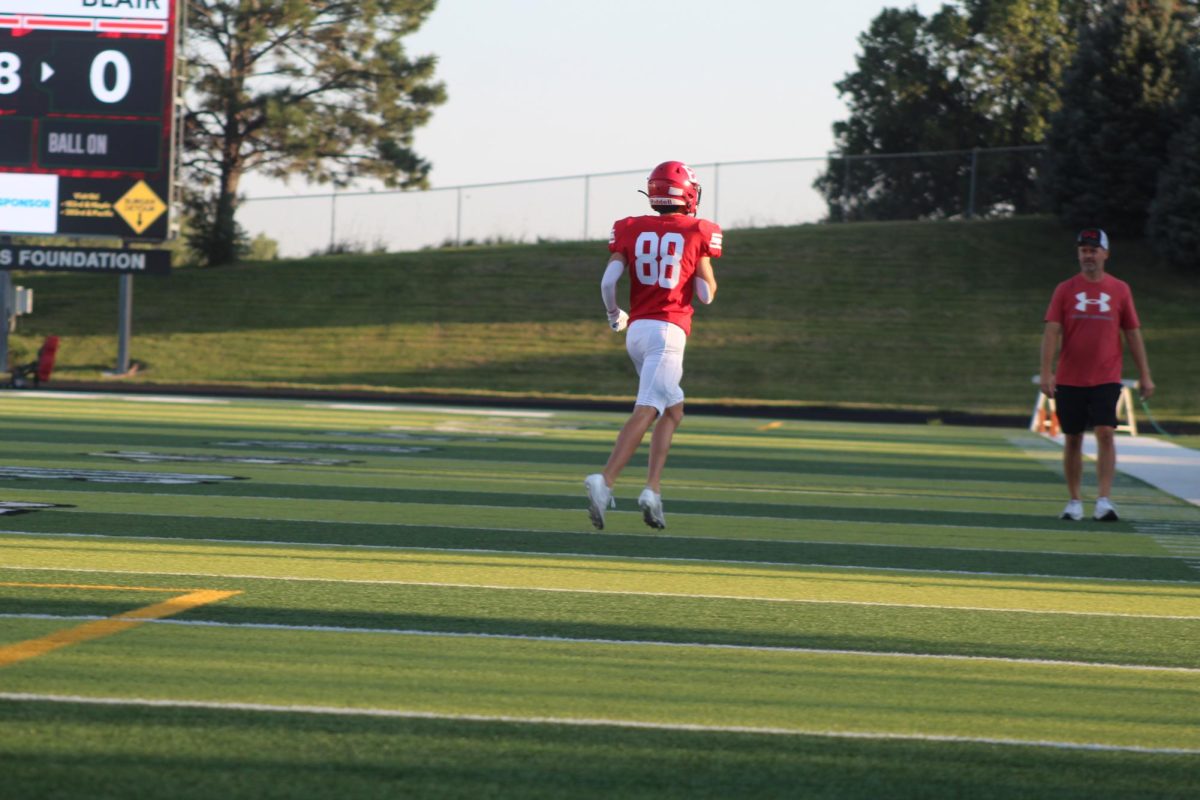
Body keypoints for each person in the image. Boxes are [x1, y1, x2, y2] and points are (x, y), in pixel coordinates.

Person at [583, 161, 721, 531]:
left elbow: (609, 280)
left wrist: (614, 314)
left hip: (637, 332)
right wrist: (699, 263)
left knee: (672, 411)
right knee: (647, 409)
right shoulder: (699, 231)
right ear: (689, 194)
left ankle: (652, 491)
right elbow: (706, 295)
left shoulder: (629, 227)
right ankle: (605, 480)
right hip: (668, 333)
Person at [1040, 228, 1154, 522]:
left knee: (1105, 433)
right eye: (1083, 250)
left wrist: (1145, 375)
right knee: (1073, 438)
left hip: (1106, 375)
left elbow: (1132, 332)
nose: (1088, 255)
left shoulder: (1120, 289)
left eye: (1093, 250)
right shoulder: (1065, 289)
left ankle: (1104, 500)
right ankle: (1074, 500)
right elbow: (1051, 331)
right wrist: (1046, 372)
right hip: (1069, 377)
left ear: (1105, 253)